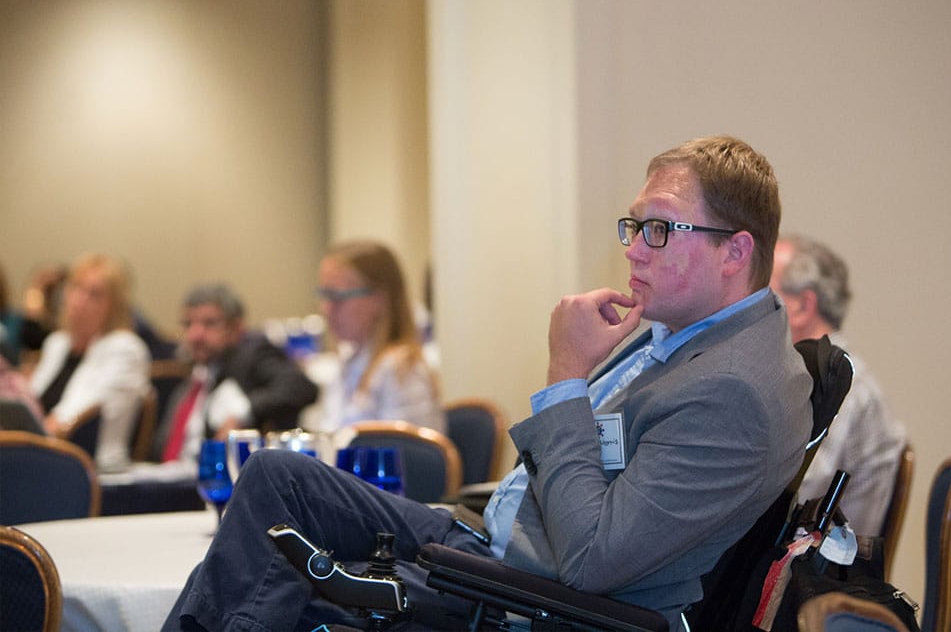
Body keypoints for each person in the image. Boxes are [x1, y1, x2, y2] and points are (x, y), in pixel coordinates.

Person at [163, 135, 812, 632]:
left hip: (533, 595)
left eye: (661, 229)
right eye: (635, 225)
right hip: (495, 537)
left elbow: (591, 561)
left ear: (735, 252)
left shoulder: (735, 390)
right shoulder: (690, 330)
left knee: (277, 581)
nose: (635, 248)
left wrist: (566, 376)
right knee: (278, 479)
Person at [770, 234, 906, 536]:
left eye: (762, 293)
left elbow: (795, 494)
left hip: (818, 574)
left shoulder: (844, 387)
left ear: (803, 306)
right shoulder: (812, 378)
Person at [152, 283, 319, 464]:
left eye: (210, 324)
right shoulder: (194, 375)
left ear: (236, 327)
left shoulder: (252, 356)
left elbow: (300, 387)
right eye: (188, 324)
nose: (195, 334)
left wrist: (243, 411)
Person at [304, 240, 443, 433]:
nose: (325, 308)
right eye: (323, 295)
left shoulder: (402, 370)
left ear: (378, 299)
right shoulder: (348, 363)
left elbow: (405, 458)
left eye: (336, 297)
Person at [29, 253, 150, 470]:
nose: (80, 300)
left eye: (94, 294)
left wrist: (22, 435)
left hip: (93, 470)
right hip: (42, 457)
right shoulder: (57, 344)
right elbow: (31, 407)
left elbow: (71, 421)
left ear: (114, 307)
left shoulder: (125, 349)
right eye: (76, 288)